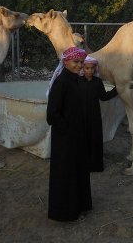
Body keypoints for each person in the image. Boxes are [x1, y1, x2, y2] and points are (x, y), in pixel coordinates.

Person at [46, 46, 91, 222]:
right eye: (76, 62)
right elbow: (52, 114)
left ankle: (80, 205)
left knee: (78, 171)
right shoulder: (62, 82)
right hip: (65, 138)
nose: (79, 65)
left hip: (77, 136)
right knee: (66, 174)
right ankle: (65, 212)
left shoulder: (76, 80)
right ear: (66, 62)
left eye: (81, 62)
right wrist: (68, 130)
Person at [79, 55, 118, 172]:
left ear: (95, 69)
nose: (89, 70)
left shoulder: (97, 82)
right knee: (82, 140)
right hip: (80, 117)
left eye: (92, 68)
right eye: (87, 68)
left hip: (94, 117)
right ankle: (82, 165)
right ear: (83, 68)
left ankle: (95, 166)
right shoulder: (77, 82)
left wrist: (117, 88)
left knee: (95, 140)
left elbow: (104, 97)